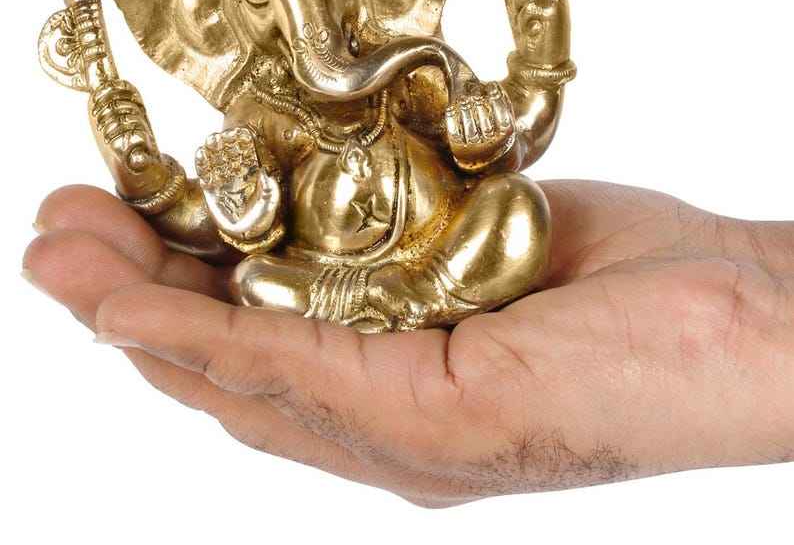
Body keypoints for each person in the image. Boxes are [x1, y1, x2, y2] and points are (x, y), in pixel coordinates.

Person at [22, 179, 794, 507]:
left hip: (439, 250)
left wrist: (530, 45)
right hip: (317, 265)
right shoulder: (263, 110)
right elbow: (215, 226)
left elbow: (503, 138)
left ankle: (428, 294)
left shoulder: (418, 74)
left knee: (516, 202)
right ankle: (375, 300)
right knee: (255, 277)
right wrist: (146, 145)